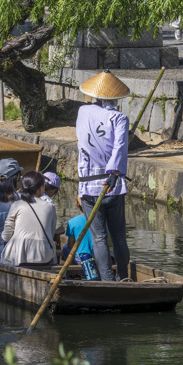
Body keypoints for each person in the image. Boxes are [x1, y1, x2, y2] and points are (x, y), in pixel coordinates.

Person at [76, 70, 131, 282]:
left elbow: (82, 143)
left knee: (98, 237)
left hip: (88, 186)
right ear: (114, 97)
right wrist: (114, 173)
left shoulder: (82, 112)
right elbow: (119, 148)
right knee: (118, 237)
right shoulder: (119, 118)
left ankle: (107, 280)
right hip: (112, 184)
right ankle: (123, 277)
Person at [1, 171, 58, 267]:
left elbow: (6, 236)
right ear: (41, 188)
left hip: (19, 257)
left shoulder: (17, 205)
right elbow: (50, 233)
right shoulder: (50, 206)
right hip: (44, 256)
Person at [63, 198, 97, 280]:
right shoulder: (98, 220)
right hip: (98, 256)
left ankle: (74, 274)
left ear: (77, 204)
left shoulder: (72, 222)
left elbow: (70, 245)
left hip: (82, 259)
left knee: (65, 248)